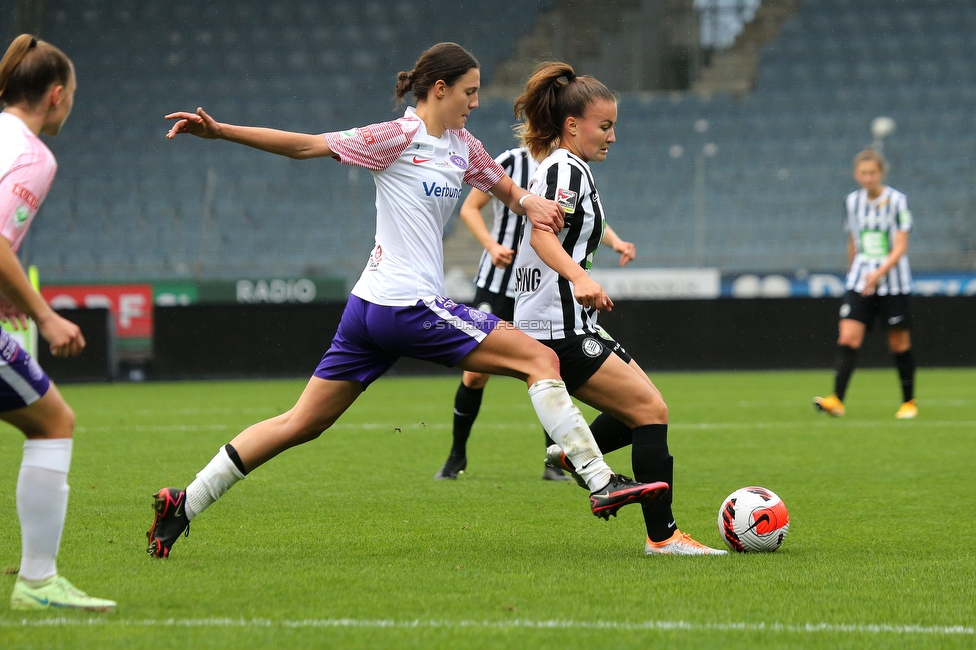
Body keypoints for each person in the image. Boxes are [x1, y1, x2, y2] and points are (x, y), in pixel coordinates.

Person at [147, 43, 669, 559]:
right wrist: (220, 132)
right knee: (540, 359)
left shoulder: (462, 145)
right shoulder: (394, 137)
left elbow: (505, 188)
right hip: (405, 305)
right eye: (469, 91)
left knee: (300, 423)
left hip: (368, 309)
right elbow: (305, 145)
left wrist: (532, 203)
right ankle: (599, 480)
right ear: (439, 89)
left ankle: (184, 502)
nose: (475, 102)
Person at [511, 61, 727, 555]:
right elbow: (541, 234)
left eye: (613, 126)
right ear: (573, 125)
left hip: (564, 320)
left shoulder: (570, 168)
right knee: (649, 410)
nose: (611, 136)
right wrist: (581, 276)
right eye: (604, 126)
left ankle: (572, 454)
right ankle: (663, 537)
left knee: (645, 410)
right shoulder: (565, 168)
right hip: (555, 325)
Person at [436, 145, 636, 482]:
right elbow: (470, 208)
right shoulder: (511, 161)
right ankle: (456, 456)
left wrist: (615, 242)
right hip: (498, 284)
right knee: (475, 375)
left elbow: (583, 219)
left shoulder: (567, 165)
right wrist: (491, 246)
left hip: (541, 288)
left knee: (548, 364)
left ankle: (553, 463)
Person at [0, 34, 116, 611]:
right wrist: (44, 315)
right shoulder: (29, 155)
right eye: (71, 94)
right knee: (52, 422)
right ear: (54, 94)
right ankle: (38, 583)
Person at [814, 148, 917, 419]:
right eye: (862, 173)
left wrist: (879, 272)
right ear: (856, 174)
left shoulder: (897, 201)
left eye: (872, 172)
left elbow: (900, 246)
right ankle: (836, 400)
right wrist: (854, 273)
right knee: (847, 336)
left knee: (898, 342)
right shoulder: (851, 202)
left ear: (880, 173)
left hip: (893, 282)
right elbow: (853, 240)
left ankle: (909, 402)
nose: (867, 177)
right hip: (861, 280)